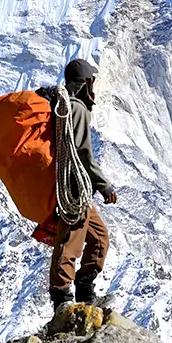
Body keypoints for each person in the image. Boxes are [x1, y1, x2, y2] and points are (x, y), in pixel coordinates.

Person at [49, 58, 117, 310]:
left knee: (99, 237)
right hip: (71, 188)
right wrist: (104, 185)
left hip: (76, 188)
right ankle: (62, 300)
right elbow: (82, 152)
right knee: (70, 241)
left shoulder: (66, 106)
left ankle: (86, 293)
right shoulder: (75, 108)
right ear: (87, 84)